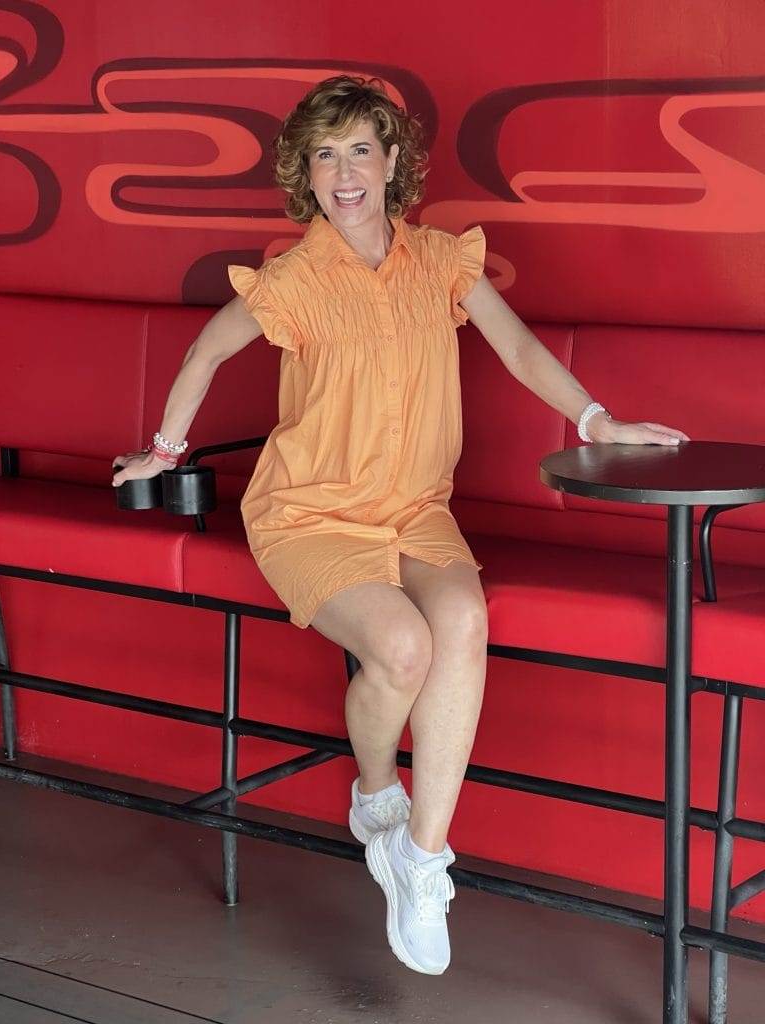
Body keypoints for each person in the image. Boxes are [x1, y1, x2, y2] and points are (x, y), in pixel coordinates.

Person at [112, 74, 689, 976]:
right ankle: (376, 795)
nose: (344, 172)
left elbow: (518, 346)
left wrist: (595, 420)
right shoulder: (297, 278)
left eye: (360, 151)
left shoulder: (441, 262)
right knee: (404, 650)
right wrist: (164, 448)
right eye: (325, 154)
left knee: (462, 619)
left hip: (416, 506)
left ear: (392, 164)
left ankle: (421, 859)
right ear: (308, 172)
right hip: (310, 509)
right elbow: (207, 349)